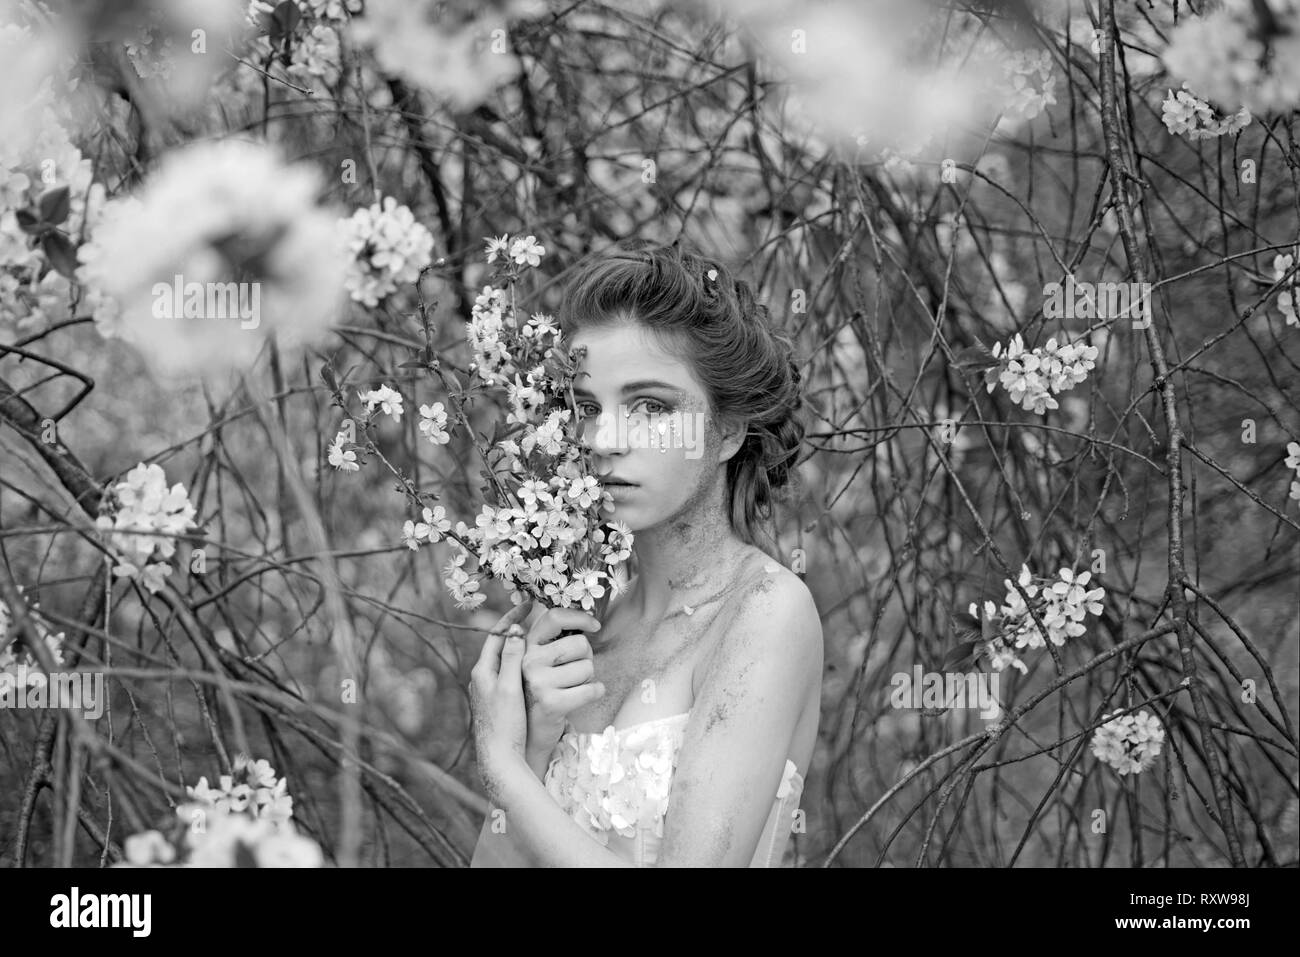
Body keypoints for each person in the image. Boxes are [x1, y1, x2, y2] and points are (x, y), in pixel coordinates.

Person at [468, 239, 822, 867]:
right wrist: (534, 744)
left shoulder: (767, 611)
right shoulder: (582, 622)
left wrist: (501, 767)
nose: (604, 439)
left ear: (728, 431)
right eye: (584, 408)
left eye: (651, 407)